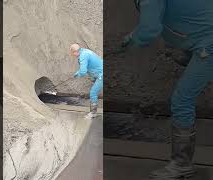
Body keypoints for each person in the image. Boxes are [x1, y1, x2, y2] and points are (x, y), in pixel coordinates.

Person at [121, 0, 213, 179]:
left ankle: (181, 164)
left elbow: (149, 30)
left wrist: (132, 41)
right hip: (202, 39)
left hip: (208, 45)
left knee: (181, 100)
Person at [69, 43, 103, 119]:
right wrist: (78, 72)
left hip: (101, 75)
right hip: (99, 72)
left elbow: (83, 71)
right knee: (94, 91)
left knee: (93, 92)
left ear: (75, 52)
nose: (73, 55)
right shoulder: (84, 51)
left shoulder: (83, 56)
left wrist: (78, 74)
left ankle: (93, 113)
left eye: (72, 54)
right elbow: (85, 67)